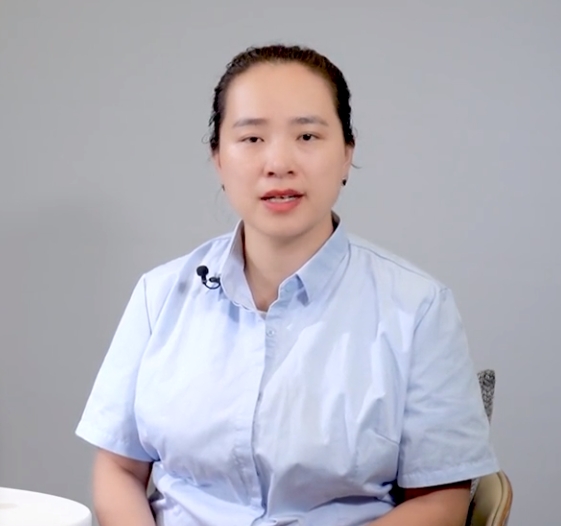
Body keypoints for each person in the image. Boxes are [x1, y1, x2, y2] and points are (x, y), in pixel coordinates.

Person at [75, 44, 499, 526]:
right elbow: (118, 468)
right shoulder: (160, 295)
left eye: (307, 135)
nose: (278, 162)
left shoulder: (418, 307)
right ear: (218, 158)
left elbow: (441, 500)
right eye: (252, 138)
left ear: (347, 154)